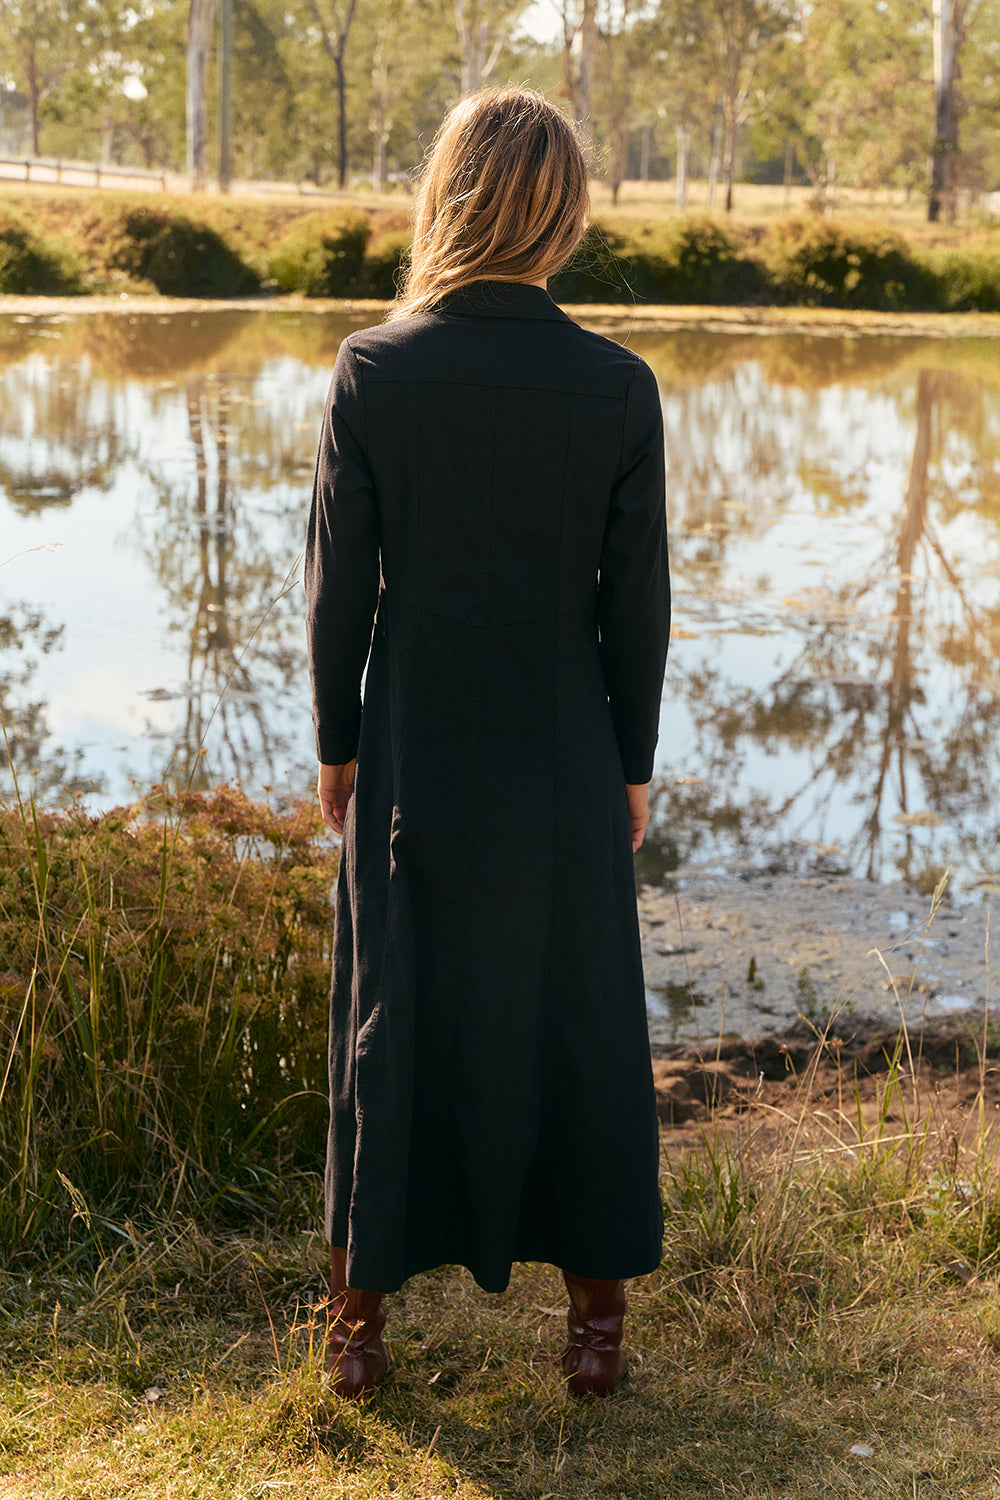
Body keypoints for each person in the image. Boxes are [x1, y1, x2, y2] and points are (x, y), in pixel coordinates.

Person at [304, 86, 670, 1401]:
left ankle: (357, 1335)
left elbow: (339, 588)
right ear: (564, 211)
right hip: (566, 748)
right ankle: (596, 1333)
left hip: (414, 741)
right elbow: (635, 604)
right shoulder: (617, 389)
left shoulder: (375, 370)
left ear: (447, 197)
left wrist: (337, 744)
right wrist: (631, 765)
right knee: (576, 1018)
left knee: (393, 1015)